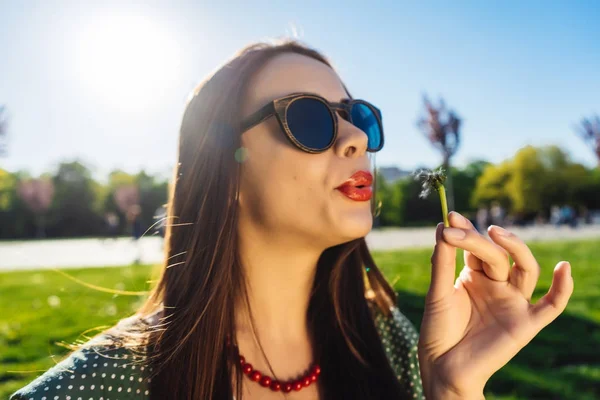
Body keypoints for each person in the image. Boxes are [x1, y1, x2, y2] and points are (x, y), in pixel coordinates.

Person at [10, 38, 574, 400]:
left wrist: (452, 389)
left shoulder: (389, 341)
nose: (356, 138)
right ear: (225, 170)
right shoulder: (96, 389)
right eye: (308, 119)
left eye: (359, 117)